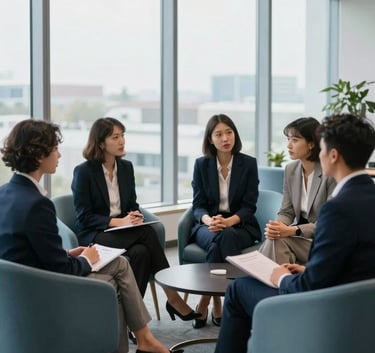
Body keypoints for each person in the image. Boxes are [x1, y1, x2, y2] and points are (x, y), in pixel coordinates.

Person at [0, 119, 183, 353]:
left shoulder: (6, 193)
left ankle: (144, 341)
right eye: (55, 149)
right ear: (39, 155)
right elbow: (62, 269)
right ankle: (139, 341)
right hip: (43, 289)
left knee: (123, 261)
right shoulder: (38, 204)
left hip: (21, 284)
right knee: (114, 279)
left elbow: (27, 249)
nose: (59, 155)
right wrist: (86, 259)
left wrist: (69, 253)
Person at [214, 113, 375, 353]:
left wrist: (281, 277)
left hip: (327, 309)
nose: (319, 154)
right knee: (266, 261)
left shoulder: (337, 208)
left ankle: (275, 331)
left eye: (321, 148)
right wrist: (307, 269)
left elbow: (307, 288)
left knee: (239, 289)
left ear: (333, 155)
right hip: (360, 306)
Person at [71, 117, 200, 327]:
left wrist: (134, 216)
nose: (122, 141)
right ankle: (173, 298)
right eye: (115, 137)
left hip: (124, 233)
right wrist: (118, 222)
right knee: (148, 234)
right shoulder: (84, 172)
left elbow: (132, 203)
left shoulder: (126, 168)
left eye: (123, 135)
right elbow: (84, 216)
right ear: (101, 143)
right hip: (95, 235)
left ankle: (132, 321)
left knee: (142, 253)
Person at [190, 114, 261, 329]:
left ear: (235, 135)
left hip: (240, 226)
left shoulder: (248, 164)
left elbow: (250, 206)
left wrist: (228, 221)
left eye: (229, 132)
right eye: (218, 134)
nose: (225, 138)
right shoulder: (201, 165)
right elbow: (198, 204)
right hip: (208, 225)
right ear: (210, 139)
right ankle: (227, 303)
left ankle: (206, 298)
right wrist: (208, 220)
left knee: (222, 238)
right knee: (220, 237)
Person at [259, 117, 336, 264]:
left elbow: (329, 222)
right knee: (276, 238)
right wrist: (278, 226)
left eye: (295, 140)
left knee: (278, 241)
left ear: (311, 144)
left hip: (323, 241)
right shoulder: (291, 169)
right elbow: (286, 211)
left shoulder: (330, 173)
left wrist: (293, 231)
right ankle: (279, 283)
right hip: (299, 238)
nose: (289, 145)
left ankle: (265, 279)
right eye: (288, 139)